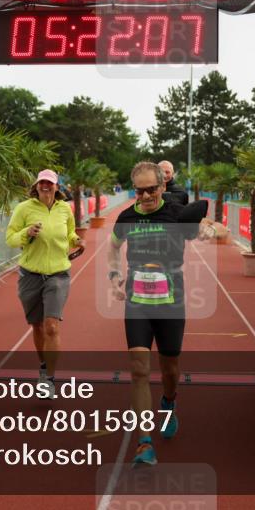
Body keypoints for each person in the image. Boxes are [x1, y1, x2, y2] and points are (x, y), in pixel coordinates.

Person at [108, 162, 215, 466]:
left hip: (171, 301)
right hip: (137, 302)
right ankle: (144, 443)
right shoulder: (126, 217)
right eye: (139, 190)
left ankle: (168, 403)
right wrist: (114, 275)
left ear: (163, 187)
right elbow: (113, 247)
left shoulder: (176, 215)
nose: (145, 196)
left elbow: (203, 232)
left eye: (151, 189)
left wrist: (210, 230)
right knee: (139, 368)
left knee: (170, 368)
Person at [6, 169, 84, 398]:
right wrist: (26, 232)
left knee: (51, 325)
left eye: (49, 183)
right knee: (38, 326)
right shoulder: (24, 208)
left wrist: (77, 240)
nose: (45, 186)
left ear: (57, 187)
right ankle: (43, 367)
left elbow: (70, 232)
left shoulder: (64, 209)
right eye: (42, 183)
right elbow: (10, 237)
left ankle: (49, 378)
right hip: (30, 274)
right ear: (36, 186)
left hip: (58, 274)